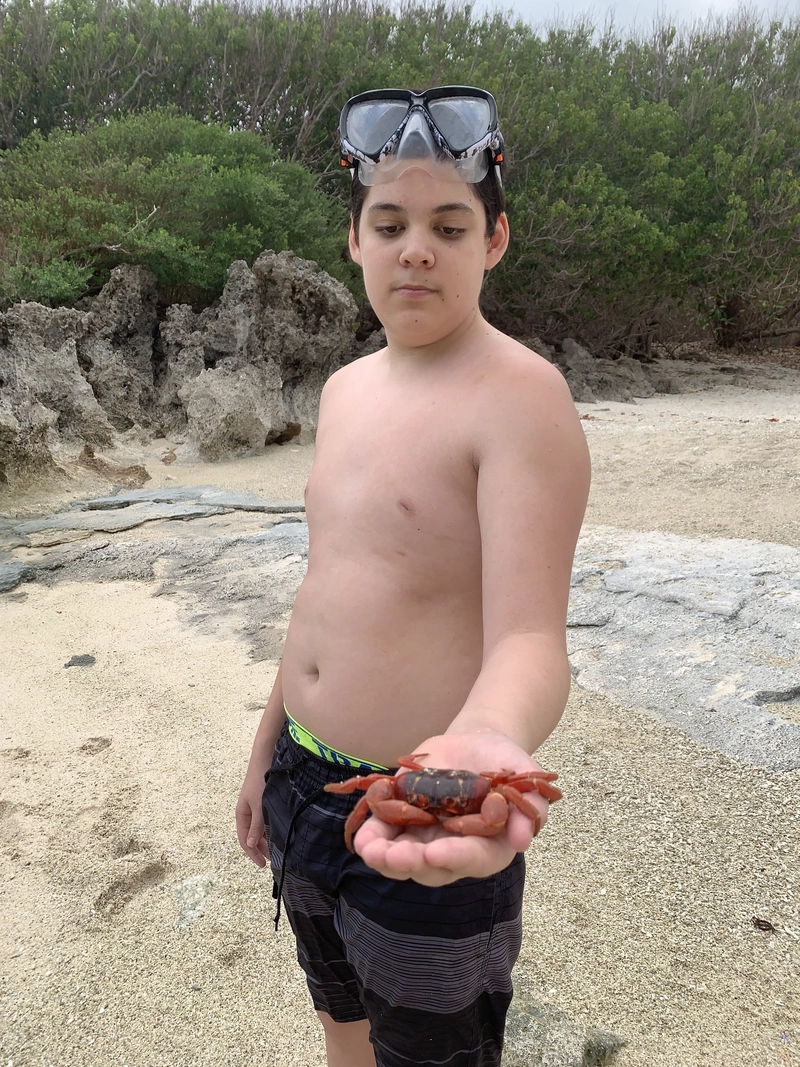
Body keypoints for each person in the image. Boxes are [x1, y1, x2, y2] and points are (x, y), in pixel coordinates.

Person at [235, 86, 591, 1067]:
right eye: (388, 223)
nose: (416, 248)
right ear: (354, 240)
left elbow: (529, 637)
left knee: (433, 1051)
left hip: (425, 804)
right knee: (339, 1020)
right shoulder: (345, 390)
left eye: (449, 223)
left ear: (495, 239)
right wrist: (267, 748)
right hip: (302, 786)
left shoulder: (518, 398)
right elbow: (326, 588)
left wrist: (488, 743)